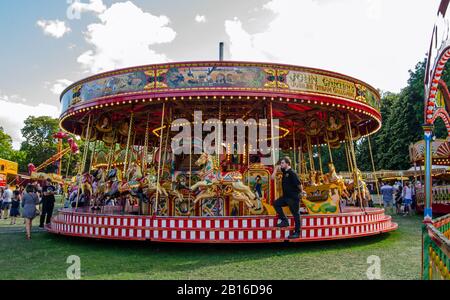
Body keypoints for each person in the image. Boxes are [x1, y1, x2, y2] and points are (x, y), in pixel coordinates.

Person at [272, 157, 302, 239]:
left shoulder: (292, 173)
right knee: (276, 203)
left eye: (282, 163)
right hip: (286, 197)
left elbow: (299, 184)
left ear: (287, 164)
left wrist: (301, 192)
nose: (281, 164)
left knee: (296, 214)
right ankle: (285, 220)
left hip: (293, 197)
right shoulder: (285, 172)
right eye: (281, 163)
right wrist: (275, 169)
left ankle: (297, 232)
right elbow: (272, 177)